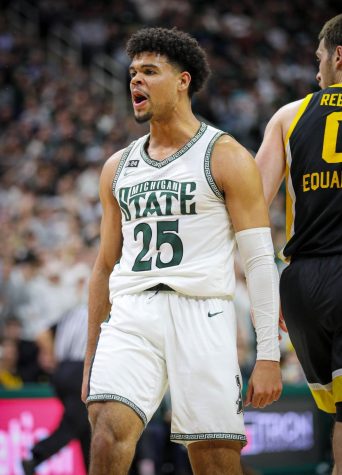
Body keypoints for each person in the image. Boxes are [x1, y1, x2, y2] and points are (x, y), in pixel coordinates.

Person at [82, 27, 282, 475]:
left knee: (214, 462)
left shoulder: (226, 155)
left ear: (183, 81)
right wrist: (92, 353)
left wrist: (268, 354)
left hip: (202, 312)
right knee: (107, 430)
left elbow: (258, 262)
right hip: (132, 313)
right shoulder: (118, 166)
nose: (135, 80)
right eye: (133, 72)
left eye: (149, 72)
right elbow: (103, 267)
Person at [255, 14, 342, 475]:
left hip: (304, 281)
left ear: (339, 56)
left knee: (338, 410)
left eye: (319, 60)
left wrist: (279, 289)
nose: (316, 71)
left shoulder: (288, 116)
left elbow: (251, 209)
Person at [22, 266, 91, 475]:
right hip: (80, 371)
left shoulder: (69, 314)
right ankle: (37, 455)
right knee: (73, 423)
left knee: (84, 425)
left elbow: (41, 334)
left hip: (61, 372)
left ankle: (94, 469)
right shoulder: (98, 313)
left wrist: (52, 355)